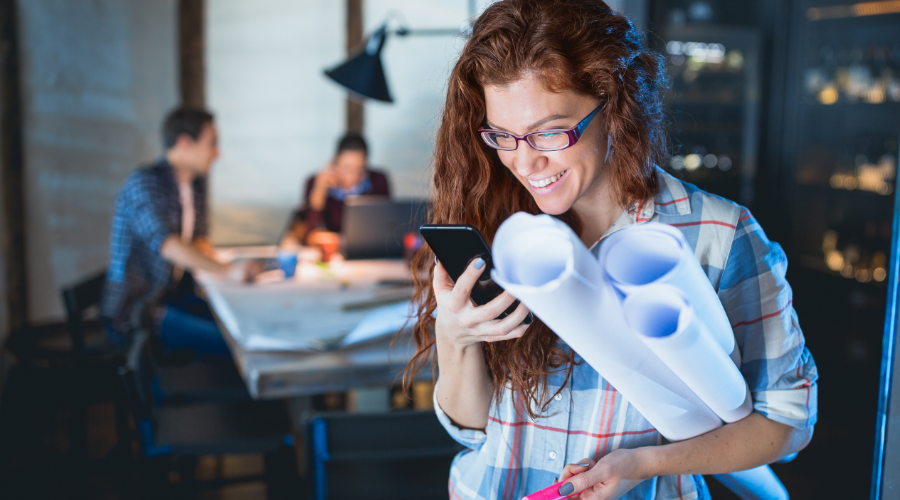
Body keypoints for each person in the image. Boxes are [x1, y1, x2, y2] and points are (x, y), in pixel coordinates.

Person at [404, 1, 818, 499]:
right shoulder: (495, 224)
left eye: (550, 132)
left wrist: (644, 464)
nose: (525, 161)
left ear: (613, 103)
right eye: (504, 136)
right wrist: (455, 340)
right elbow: (472, 430)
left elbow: (787, 425)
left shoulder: (718, 237)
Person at [100, 107, 261, 355]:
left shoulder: (193, 183)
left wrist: (230, 266)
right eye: (212, 144)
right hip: (140, 312)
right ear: (185, 143)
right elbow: (167, 245)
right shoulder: (144, 181)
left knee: (247, 323)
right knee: (238, 343)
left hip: (170, 297)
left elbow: (198, 241)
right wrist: (228, 271)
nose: (217, 154)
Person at [292, 133, 390, 245]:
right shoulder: (314, 183)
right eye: (347, 168)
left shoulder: (378, 181)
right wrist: (319, 193)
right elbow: (306, 238)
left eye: (360, 169)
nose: (353, 176)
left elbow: (386, 229)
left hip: (368, 252)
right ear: (334, 162)